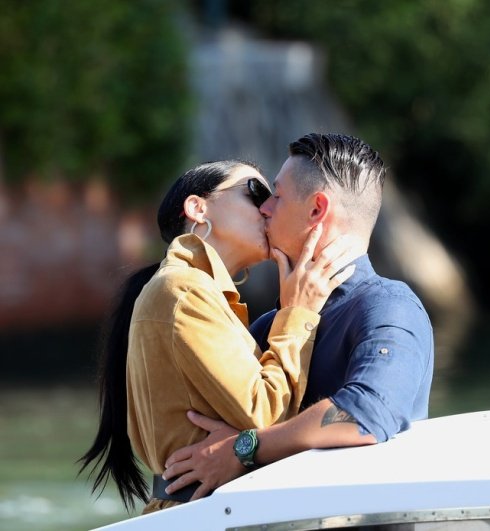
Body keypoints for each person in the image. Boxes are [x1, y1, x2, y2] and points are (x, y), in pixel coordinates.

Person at [162, 133, 435, 500]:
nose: (265, 209)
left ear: (317, 209)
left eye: (275, 196)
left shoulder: (388, 306)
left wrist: (244, 449)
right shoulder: (266, 328)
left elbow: (365, 416)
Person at [78, 159, 357, 513]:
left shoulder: (192, 292)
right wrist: (296, 314)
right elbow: (265, 414)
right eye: (256, 193)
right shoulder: (184, 291)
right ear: (198, 208)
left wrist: (238, 445)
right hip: (205, 513)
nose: (269, 208)